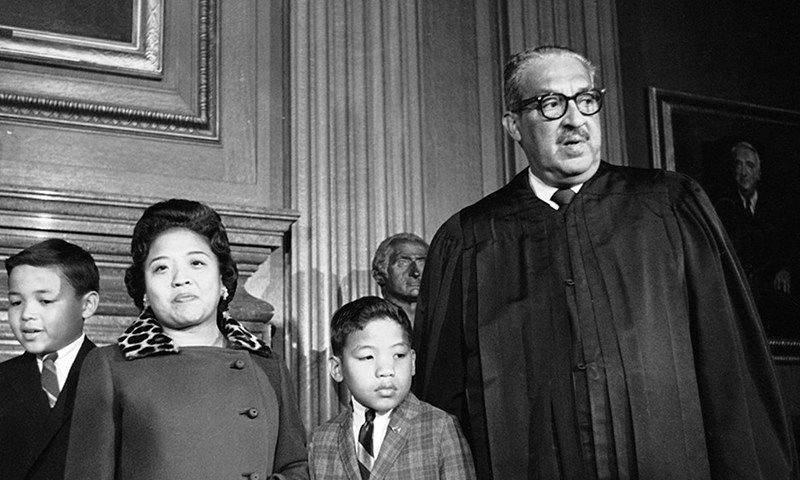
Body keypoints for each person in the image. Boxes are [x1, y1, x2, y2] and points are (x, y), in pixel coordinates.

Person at [412, 45, 798, 479]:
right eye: (551, 104)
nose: (575, 120)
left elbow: (731, 372)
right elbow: (439, 413)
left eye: (586, 100)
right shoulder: (469, 240)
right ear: (513, 125)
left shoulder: (670, 207)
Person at [64, 199, 309, 480]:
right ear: (144, 290)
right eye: (161, 268)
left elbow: (295, 466)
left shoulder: (267, 365)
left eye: (196, 262)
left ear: (222, 282)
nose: (181, 279)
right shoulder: (110, 365)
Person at [309, 296, 475, 479]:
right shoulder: (322, 439)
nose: (386, 370)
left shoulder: (439, 428)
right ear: (337, 369)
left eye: (399, 355)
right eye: (367, 357)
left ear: (412, 362)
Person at [0, 239, 99, 480]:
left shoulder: (115, 377)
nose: (27, 315)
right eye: (16, 302)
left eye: (45, 301)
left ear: (87, 305)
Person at [714, 142, 798, 335]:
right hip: (737, 288)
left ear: (758, 173)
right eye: (739, 165)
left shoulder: (774, 210)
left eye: (750, 166)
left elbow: (786, 247)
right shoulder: (723, 207)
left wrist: (784, 269)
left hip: (768, 287)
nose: (744, 172)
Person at [371, 233, 428, 325]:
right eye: (402, 262)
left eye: (422, 262)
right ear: (379, 275)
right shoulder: (370, 323)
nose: (415, 273)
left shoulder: (445, 321)